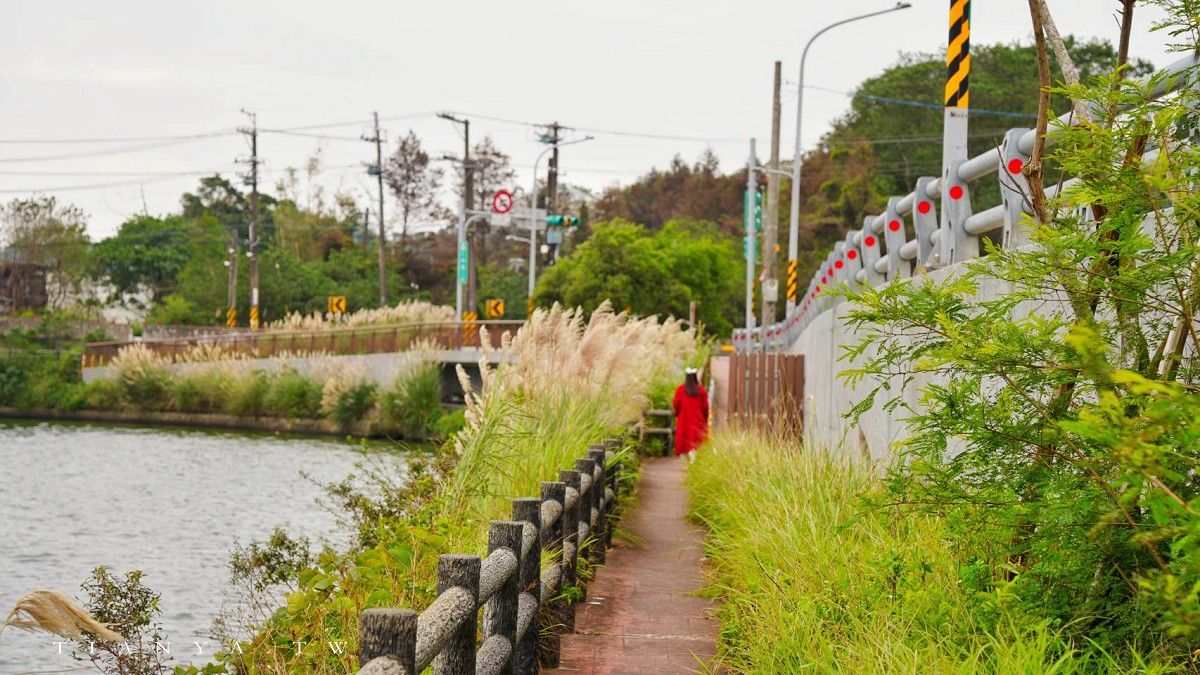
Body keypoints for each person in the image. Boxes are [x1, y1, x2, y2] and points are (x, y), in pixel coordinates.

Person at [672, 367, 709, 458]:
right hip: (698, 419)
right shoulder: (701, 391)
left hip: (684, 419)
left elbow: (676, 404)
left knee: (684, 436)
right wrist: (705, 417)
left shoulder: (680, 390)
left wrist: (678, 413)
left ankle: (684, 456)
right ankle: (694, 456)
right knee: (696, 438)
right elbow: (705, 406)